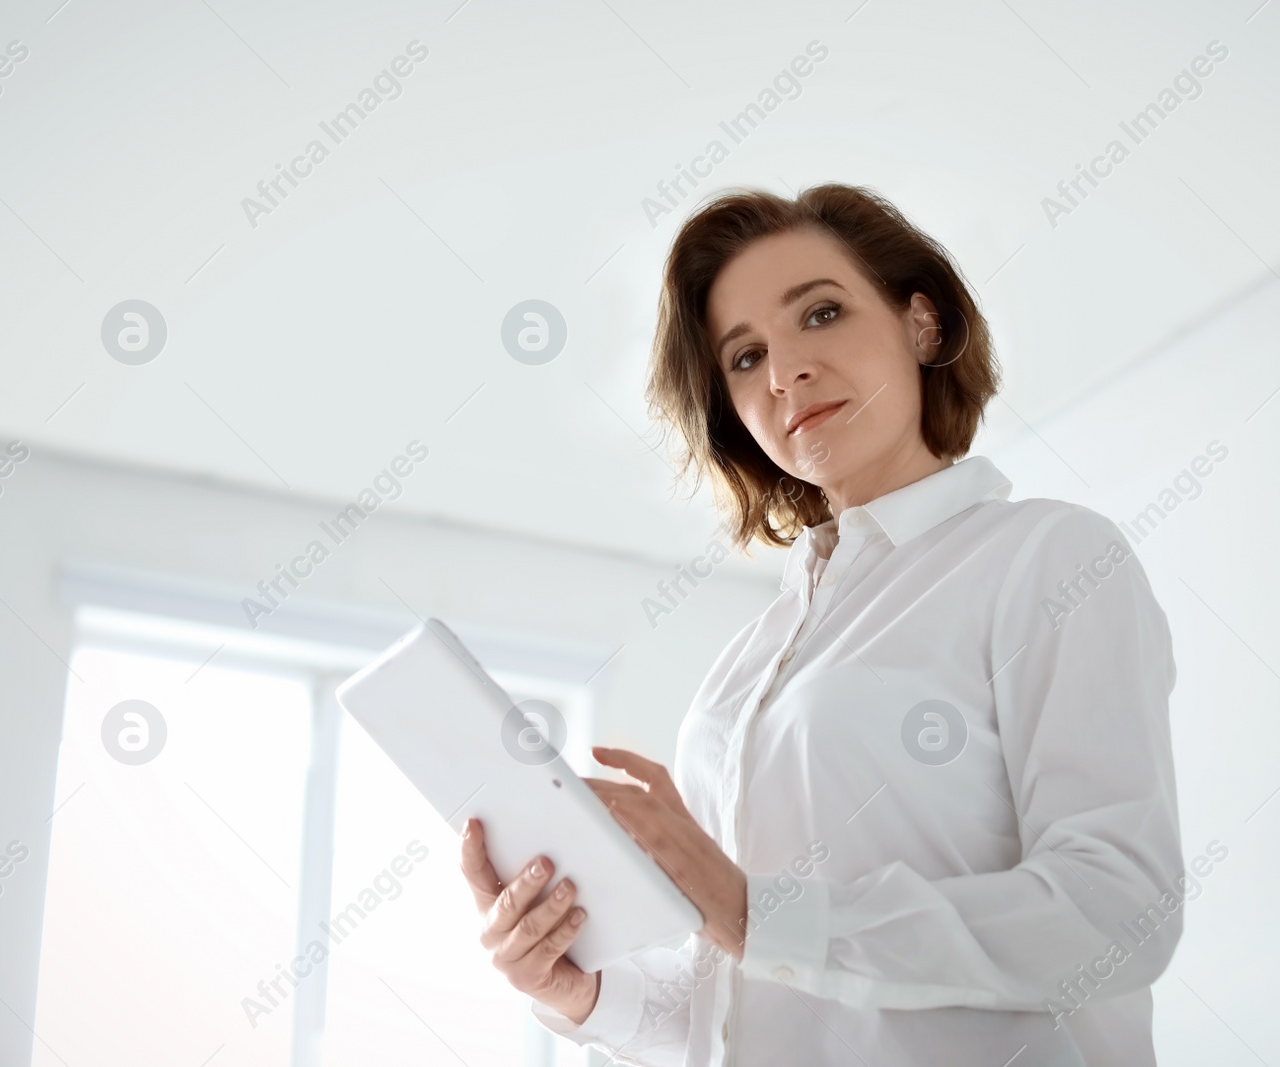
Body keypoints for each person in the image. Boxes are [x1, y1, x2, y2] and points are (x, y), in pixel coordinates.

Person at [459, 183, 1182, 1066]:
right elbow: (740, 994)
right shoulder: (746, 665)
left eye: (822, 313)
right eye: (744, 357)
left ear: (922, 322)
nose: (784, 372)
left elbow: (1117, 911)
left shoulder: (1049, 557)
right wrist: (583, 992)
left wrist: (755, 911)